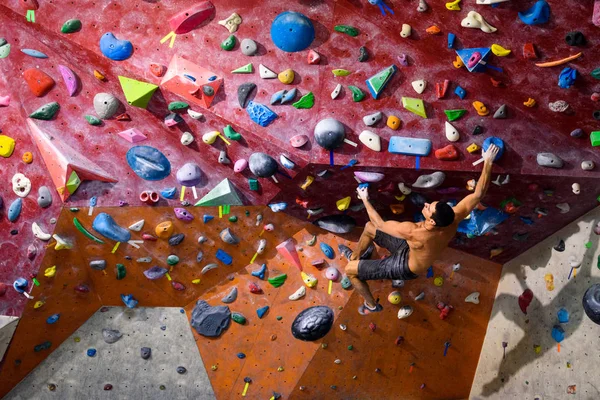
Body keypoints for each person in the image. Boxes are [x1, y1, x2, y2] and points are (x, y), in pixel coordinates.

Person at [343, 144, 500, 316]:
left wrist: (365, 199)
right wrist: (488, 161)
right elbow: (478, 194)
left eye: (428, 207)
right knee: (368, 227)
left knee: (350, 271)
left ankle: (371, 305)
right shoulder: (453, 217)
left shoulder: (415, 232)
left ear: (431, 221)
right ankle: (356, 257)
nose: (425, 204)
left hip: (405, 267)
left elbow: (380, 223)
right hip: (411, 251)